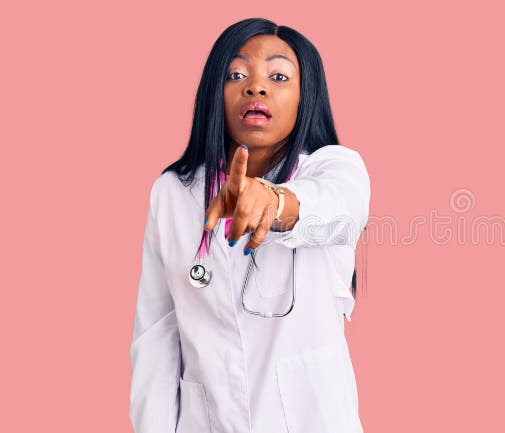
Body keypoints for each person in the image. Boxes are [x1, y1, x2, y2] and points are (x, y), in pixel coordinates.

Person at [129, 18, 370, 433]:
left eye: (278, 76)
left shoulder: (335, 169)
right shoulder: (173, 193)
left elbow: (338, 207)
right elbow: (157, 337)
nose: (255, 87)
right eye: (236, 74)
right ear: (214, 94)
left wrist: (274, 202)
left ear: (304, 97)